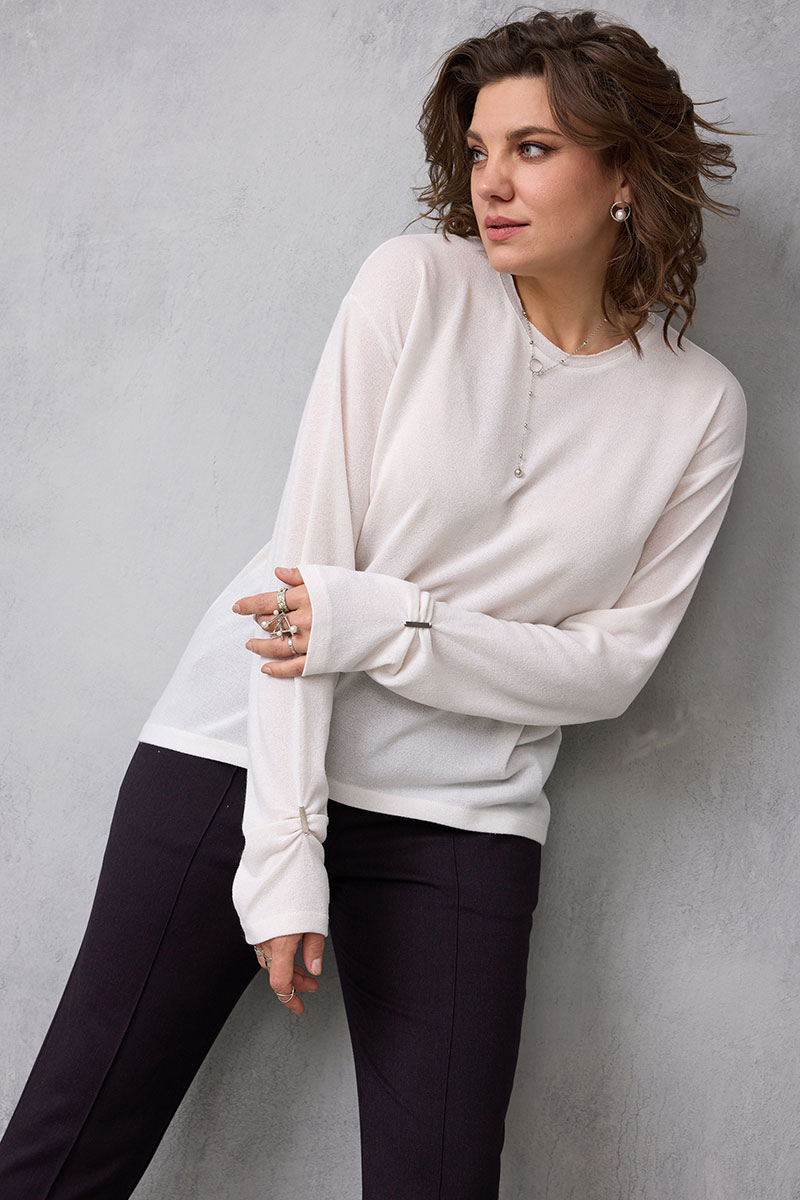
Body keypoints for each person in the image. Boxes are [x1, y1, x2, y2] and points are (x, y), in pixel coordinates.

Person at [0, 9, 746, 1199]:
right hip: (238, 762)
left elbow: (607, 669)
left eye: (533, 149)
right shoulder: (413, 285)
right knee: (64, 1155)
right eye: (478, 150)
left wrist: (379, 625)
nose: (490, 183)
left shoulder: (696, 407)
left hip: (461, 815)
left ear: (624, 173)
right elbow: (299, 586)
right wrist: (282, 852)